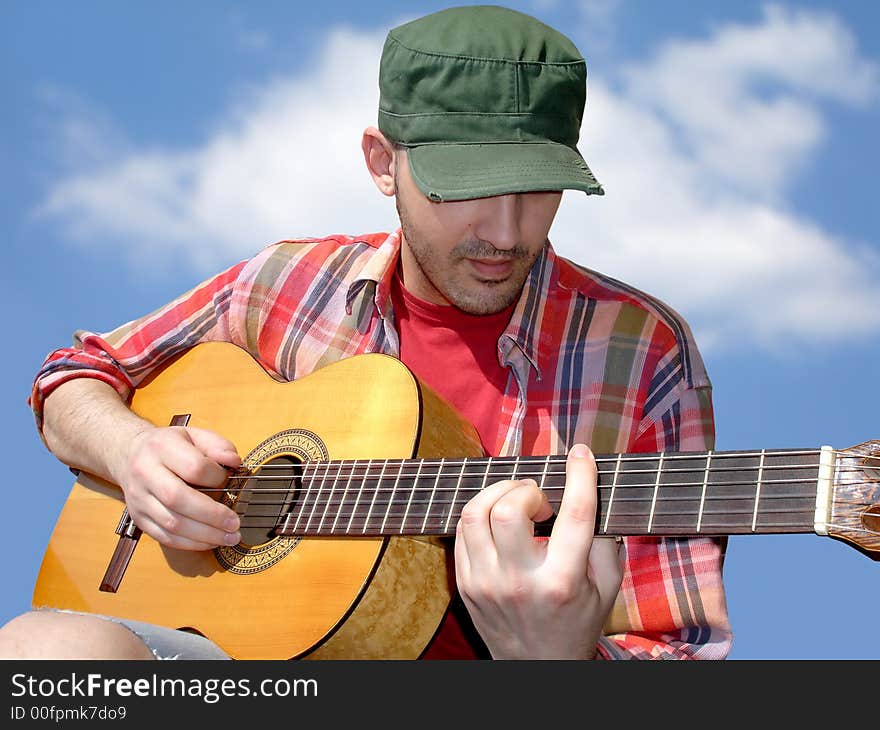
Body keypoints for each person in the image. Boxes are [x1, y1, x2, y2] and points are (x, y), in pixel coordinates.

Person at [0, 4, 730, 660]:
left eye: (539, 187)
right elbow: (73, 373)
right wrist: (132, 453)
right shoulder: (287, 281)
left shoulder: (644, 352)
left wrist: (557, 663)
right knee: (42, 653)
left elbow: (678, 654)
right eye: (466, 186)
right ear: (384, 164)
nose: (506, 232)